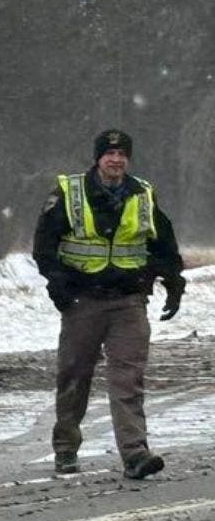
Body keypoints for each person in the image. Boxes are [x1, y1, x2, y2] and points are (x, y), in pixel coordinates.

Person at [32, 129, 185, 479]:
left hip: (129, 302)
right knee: (74, 376)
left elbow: (164, 244)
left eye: (122, 154)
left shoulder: (143, 194)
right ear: (98, 158)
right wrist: (57, 285)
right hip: (83, 301)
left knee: (128, 379)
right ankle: (66, 447)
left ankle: (135, 454)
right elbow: (44, 245)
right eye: (109, 153)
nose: (116, 160)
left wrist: (174, 281)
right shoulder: (69, 192)